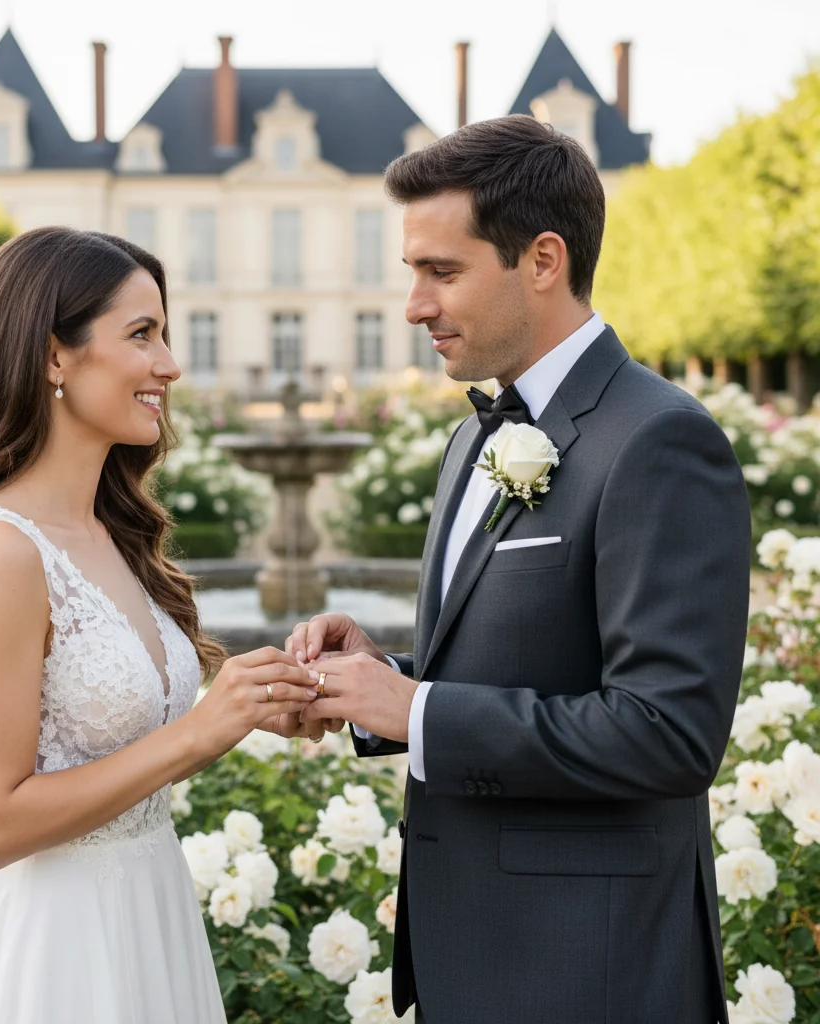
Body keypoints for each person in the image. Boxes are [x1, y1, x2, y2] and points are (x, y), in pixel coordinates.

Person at [280, 116, 750, 1023]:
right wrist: (378, 685)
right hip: (470, 958)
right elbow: (519, 670)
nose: (413, 305)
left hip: (589, 969)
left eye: (441, 272)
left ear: (543, 259)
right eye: (412, 272)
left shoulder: (660, 439)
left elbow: (668, 733)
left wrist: (417, 711)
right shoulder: (473, 437)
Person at [0, 227, 319, 1023]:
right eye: (142, 334)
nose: (170, 364)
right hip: (56, 950)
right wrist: (200, 732)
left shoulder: (114, 537)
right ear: (54, 356)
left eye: (165, 333)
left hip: (150, 915)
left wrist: (259, 706)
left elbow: (125, 753)